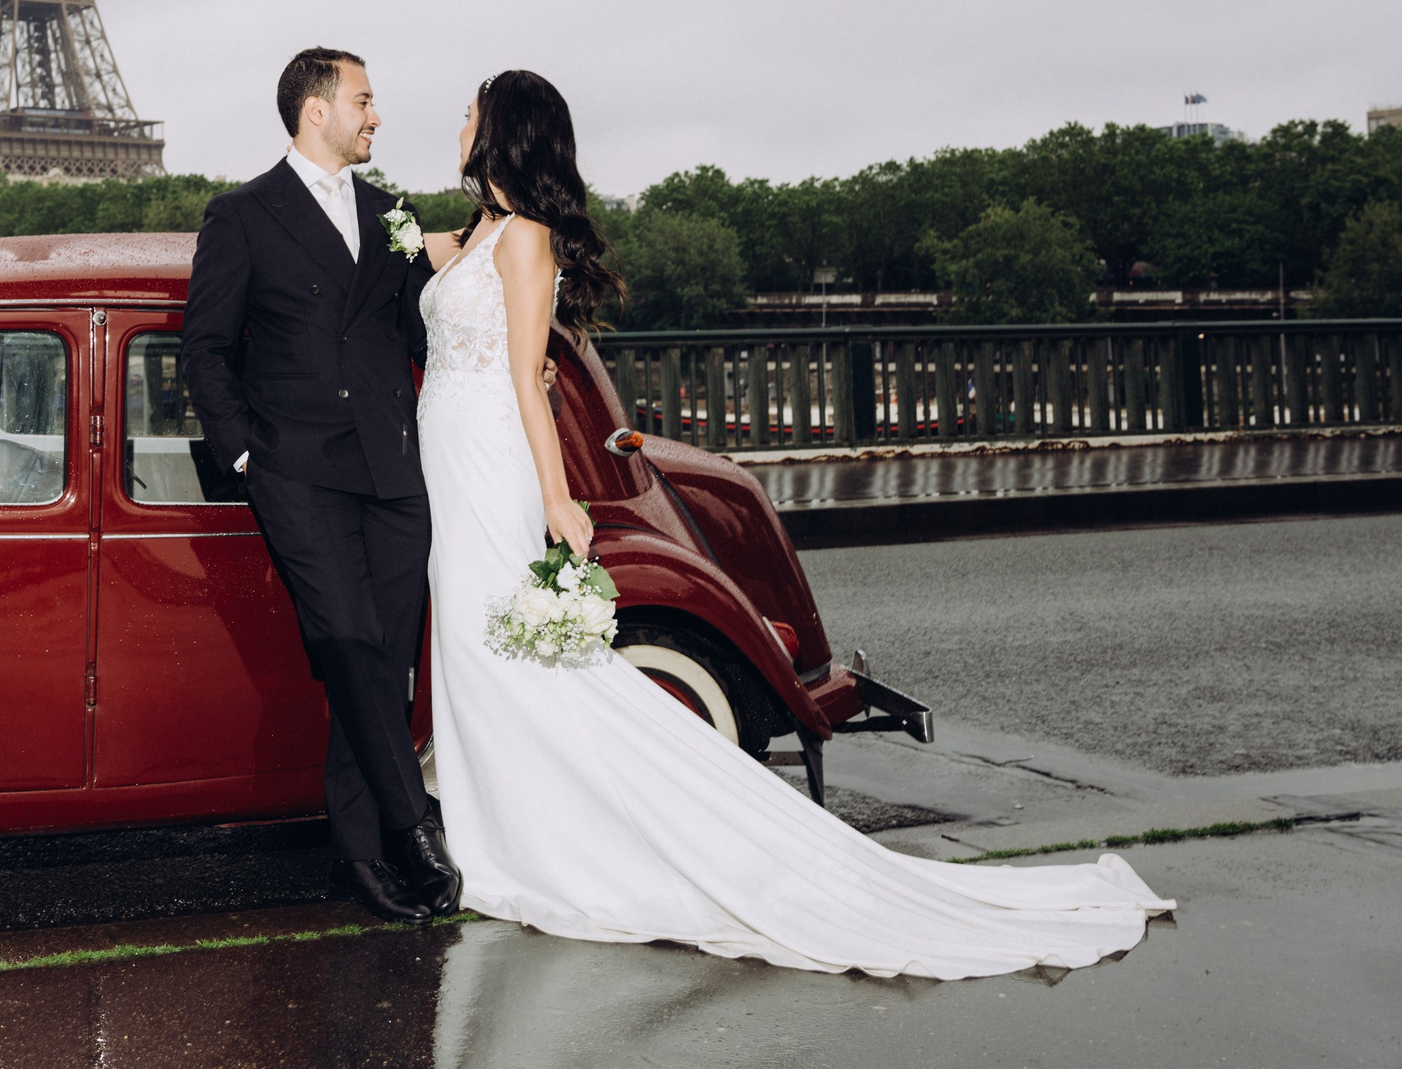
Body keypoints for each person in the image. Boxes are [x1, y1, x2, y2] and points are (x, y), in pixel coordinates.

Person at [418, 69, 1174, 977]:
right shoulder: (480, 233)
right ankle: (505, 830)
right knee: (475, 656)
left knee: (506, 655)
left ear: (504, 130)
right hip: (449, 464)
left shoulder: (526, 239)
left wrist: (554, 496)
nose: (457, 122)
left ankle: (545, 846)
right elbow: (390, 246)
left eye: (471, 111)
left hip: (489, 465)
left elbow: (524, 379)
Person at [181, 47, 463, 922]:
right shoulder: (243, 215)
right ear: (316, 110)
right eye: (364, 100)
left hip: (392, 471)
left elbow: (429, 324)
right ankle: (408, 824)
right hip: (298, 471)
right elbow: (204, 348)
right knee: (346, 640)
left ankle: (361, 850)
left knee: (379, 660)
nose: (376, 116)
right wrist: (244, 458)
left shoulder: (392, 214)